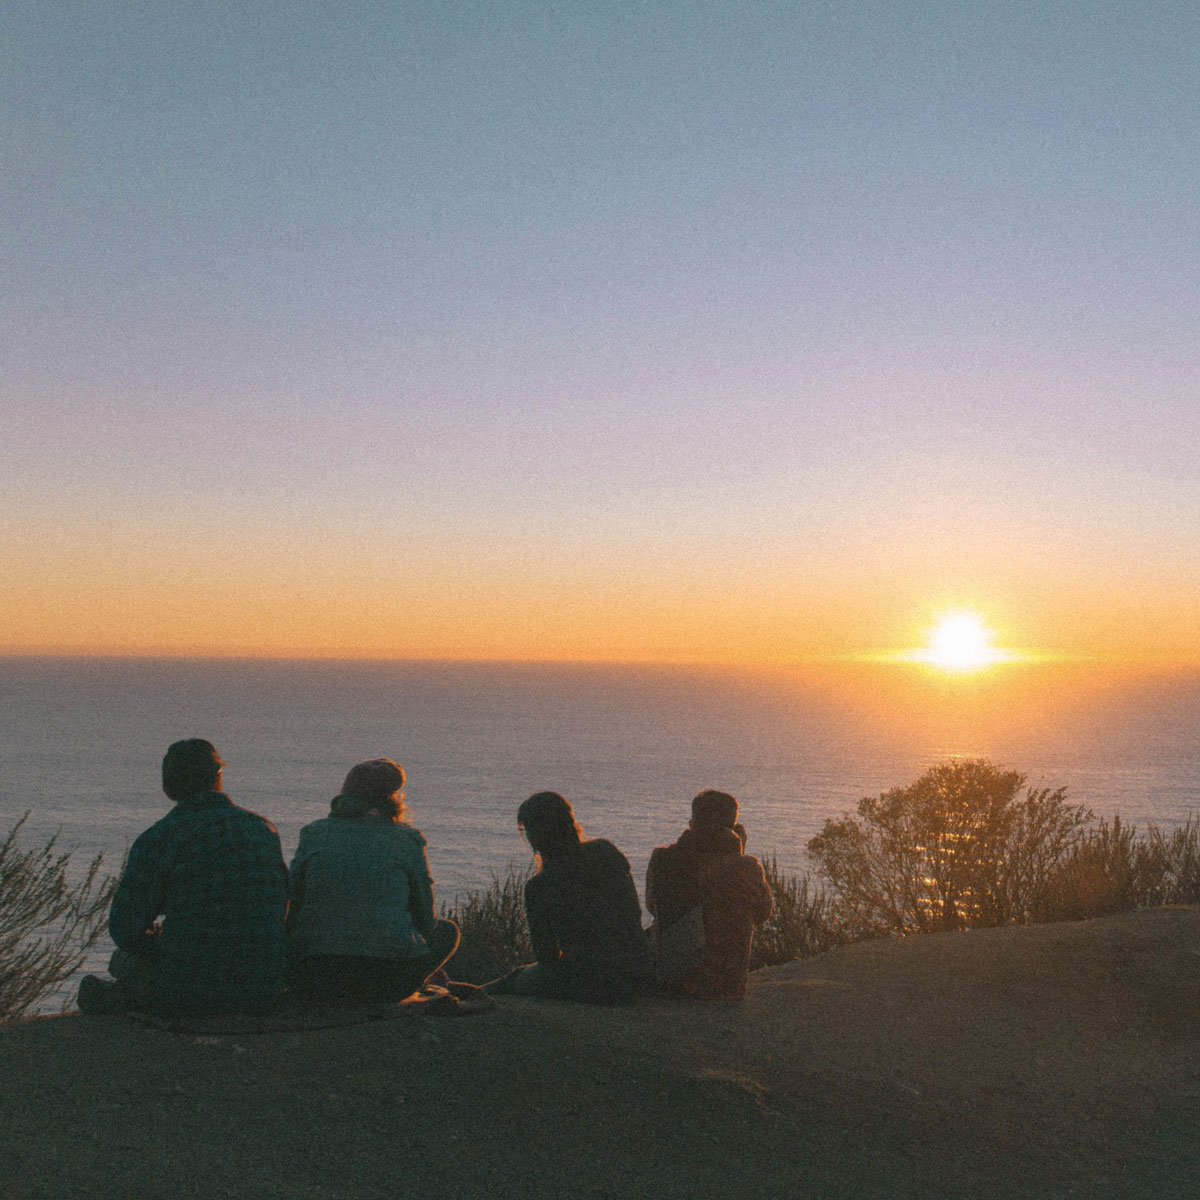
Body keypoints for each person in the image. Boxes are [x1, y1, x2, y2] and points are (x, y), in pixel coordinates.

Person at [77, 739, 288, 1016]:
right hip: (263, 985)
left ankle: (132, 1001)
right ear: (218, 777)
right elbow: (281, 908)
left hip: (190, 989)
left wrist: (161, 942)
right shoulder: (263, 830)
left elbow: (125, 929)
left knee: (121, 960)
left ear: (168, 789)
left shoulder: (159, 838)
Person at [287, 758, 459, 1004]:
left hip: (315, 977)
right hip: (386, 982)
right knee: (447, 931)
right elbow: (425, 921)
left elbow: (291, 907)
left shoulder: (314, 832)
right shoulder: (407, 839)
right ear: (394, 798)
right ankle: (419, 983)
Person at [485, 791, 650, 1004]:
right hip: (636, 973)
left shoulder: (539, 887)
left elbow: (547, 958)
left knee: (511, 981)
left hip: (587, 982)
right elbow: (632, 913)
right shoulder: (607, 852)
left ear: (535, 835)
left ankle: (455, 994)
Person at [645, 789, 773, 1000]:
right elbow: (762, 913)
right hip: (729, 987)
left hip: (675, 983)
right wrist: (737, 852)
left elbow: (653, 906)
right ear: (734, 827)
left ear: (692, 824)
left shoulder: (663, 859)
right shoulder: (748, 867)